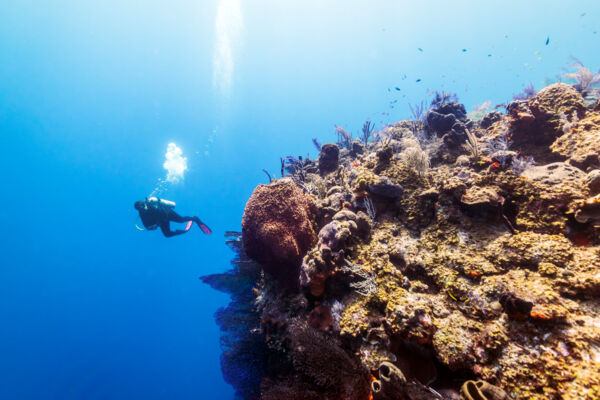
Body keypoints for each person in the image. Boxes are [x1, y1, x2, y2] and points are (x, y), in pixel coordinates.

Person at [134, 197, 212, 238]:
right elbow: (147, 226)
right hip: (162, 221)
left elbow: (162, 209)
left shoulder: (151, 203)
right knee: (167, 235)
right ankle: (184, 231)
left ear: (144, 203)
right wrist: (153, 226)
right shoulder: (143, 215)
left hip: (168, 213)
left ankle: (195, 219)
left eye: (143, 206)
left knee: (181, 220)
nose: (143, 208)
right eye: (140, 208)